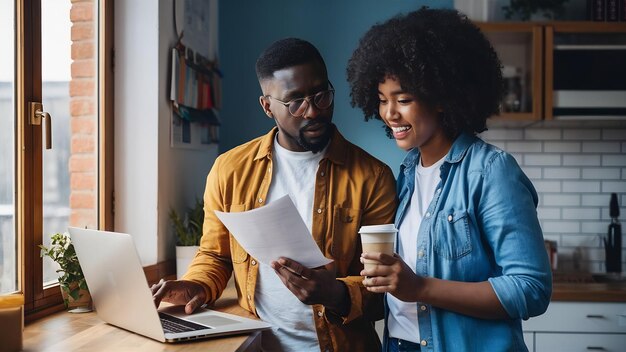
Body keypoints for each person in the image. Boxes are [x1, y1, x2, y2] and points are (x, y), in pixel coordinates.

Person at [152, 37, 397, 351]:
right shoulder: (230, 170)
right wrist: (197, 284)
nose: (313, 111)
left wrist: (335, 294)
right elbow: (215, 255)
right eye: (295, 102)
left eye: (322, 95)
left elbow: (384, 290)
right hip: (256, 345)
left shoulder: (373, 177)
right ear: (267, 106)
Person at [346, 8, 552, 352]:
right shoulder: (407, 173)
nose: (389, 113)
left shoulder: (490, 171)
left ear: (441, 96)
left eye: (404, 100)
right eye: (382, 100)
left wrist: (421, 288)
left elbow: (530, 288)